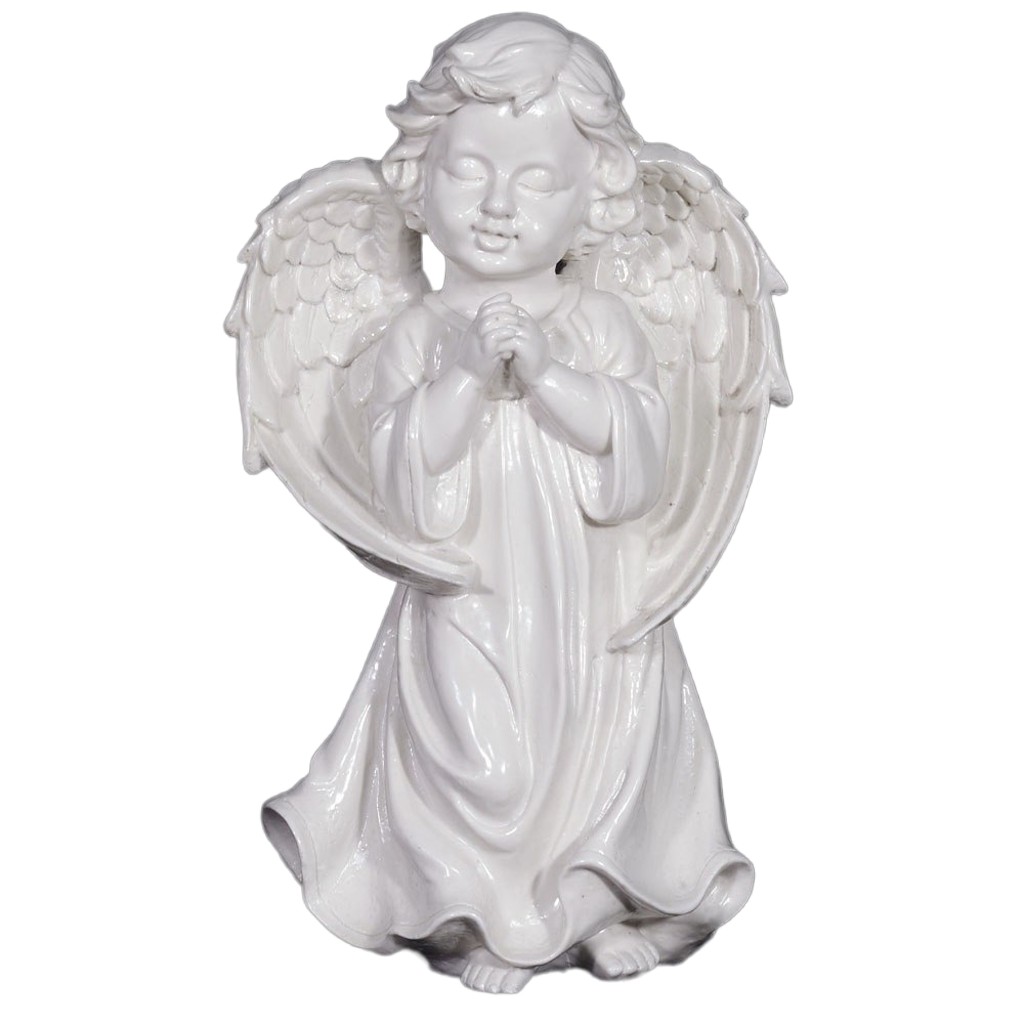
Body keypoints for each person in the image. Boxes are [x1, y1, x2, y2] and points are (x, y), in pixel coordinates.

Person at [262, 15, 753, 994]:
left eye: (535, 182)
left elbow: (640, 457)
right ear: (419, 179)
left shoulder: (602, 322)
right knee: (477, 754)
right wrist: (465, 375)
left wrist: (548, 374)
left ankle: (595, 902)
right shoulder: (415, 334)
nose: (495, 206)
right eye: (467, 171)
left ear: (592, 199)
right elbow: (404, 480)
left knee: (602, 747)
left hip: (592, 593)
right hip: (471, 590)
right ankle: (486, 914)